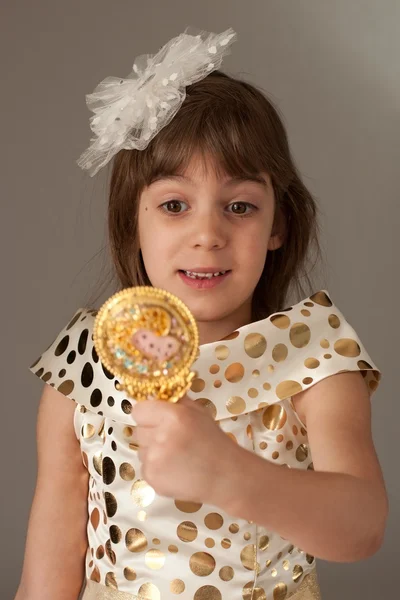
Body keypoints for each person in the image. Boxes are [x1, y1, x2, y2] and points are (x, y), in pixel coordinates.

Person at [15, 28, 388, 600]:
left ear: (277, 227)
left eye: (239, 207)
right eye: (173, 206)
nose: (208, 235)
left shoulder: (314, 357)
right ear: (132, 223)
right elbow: (52, 556)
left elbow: (362, 527)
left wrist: (228, 473)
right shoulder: (84, 366)